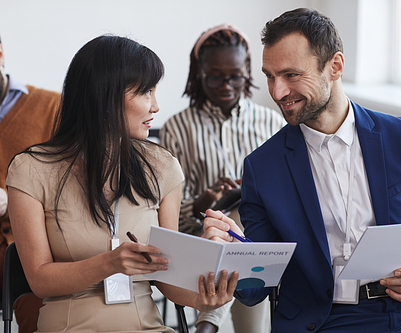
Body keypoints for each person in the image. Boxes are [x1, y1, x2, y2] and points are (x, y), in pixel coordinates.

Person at [202, 8, 401, 333]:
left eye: (291, 75)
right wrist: (231, 255)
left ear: (335, 66)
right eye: (270, 76)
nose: (277, 92)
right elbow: (255, 289)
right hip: (327, 320)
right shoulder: (263, 167)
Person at [6, 35, 237, 332]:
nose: (155, 106)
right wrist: (109, 264)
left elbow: (168, 278)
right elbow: (39, 280)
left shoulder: (162, 166)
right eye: (145, 92)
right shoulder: (30, 169)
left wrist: (206, 298)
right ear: (105, 94)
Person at [160, 24, 286, 333]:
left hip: (260, 231)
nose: (226, 85)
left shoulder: (271, 121)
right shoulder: (178, 127)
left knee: (241, 217)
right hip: (200, 233)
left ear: (247, 72)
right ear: (198, 73)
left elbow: (287, 188)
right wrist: (202, 202)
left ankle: (208, 321)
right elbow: (167, 211)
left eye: (235, 76)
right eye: (215, 76)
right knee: (227, 223)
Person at [0, 34, 61, 333]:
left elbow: (76, 187)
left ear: (0, 54)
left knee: (44, 309)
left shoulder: (53, 107)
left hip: (35, 250)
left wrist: (14, 200)